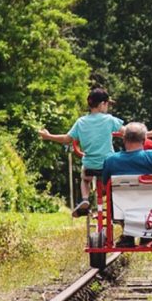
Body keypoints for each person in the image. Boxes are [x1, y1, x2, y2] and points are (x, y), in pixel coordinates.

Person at [39, 88, 122, 217]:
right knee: (111, 176)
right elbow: (128, 132)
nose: (108, 107)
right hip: (107, 164)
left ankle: (85, 199)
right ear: (101, 104)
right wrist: (149, 134)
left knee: (85, 177)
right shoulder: (109, 119)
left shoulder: (81, 122)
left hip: (91, 164)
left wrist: (49, 136)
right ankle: (111, 199)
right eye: (107, 104)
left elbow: (67, 139)